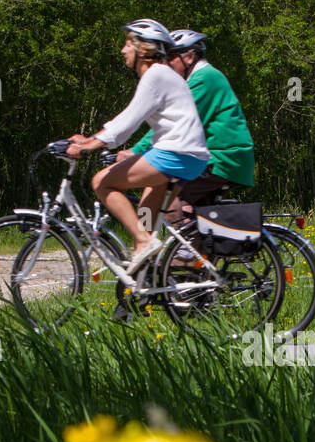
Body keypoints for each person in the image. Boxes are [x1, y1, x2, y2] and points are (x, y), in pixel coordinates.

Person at [66, 19, 210, 266]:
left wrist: (89, 145)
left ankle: (144, 243)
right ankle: (147, 281)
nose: (123, 50)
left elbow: (128, 120)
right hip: (187, 157)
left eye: (127, 44)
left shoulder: (156, 75)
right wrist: (91, 139)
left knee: (102, 181)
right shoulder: (164, 75)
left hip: (176, 154)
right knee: (145, 216)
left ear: (143, 49)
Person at [120, 28, 255, 222]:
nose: (165, 64)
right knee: (194, 216)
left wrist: (136, 151)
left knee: (165, 192)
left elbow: (176, 124)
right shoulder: (200, 79)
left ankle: (168, 248)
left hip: (222, 158)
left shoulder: (205, 79)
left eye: (171, 58)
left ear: (189, 57)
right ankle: (194, 249)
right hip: (221, 158)